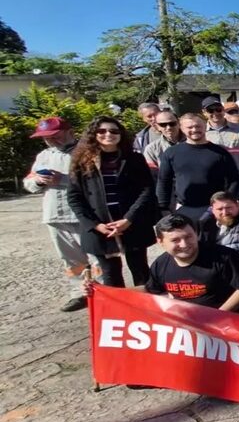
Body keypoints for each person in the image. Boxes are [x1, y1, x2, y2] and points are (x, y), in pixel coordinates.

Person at [66, 116, 159, 288]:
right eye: (102, 131)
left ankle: (145, 310)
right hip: (101, 227)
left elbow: (146, 191)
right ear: (94, 134)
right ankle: (119, 311)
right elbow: (74, 197)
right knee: (110, 275)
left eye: (114, 131)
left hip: (130, 223)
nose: (108, 134)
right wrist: (95, 225)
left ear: (121, 134)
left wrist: (129, 219)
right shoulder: (81, 161)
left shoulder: (134, 159)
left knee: (140, 271)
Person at [25, 117, 94, 311]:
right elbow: (28, 183)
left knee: (96, 256)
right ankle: (78, 294)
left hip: (82, 214)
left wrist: (62, 179)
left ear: (69, 132)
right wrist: (38, 181)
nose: (51, 140)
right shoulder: (44, 156)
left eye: (55, 136)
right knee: (71, 259)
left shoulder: (85, 151)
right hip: (54, 214)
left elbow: (94, 181)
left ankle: (102, 291)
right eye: (46, 137)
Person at [135, 213, 239, 314]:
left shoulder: (225, 257)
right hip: (189, 324)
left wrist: (217, 316)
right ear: (160, 242)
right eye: (175, 240)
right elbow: (151, 290)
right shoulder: (160, 264)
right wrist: (115, 294)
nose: (184, 244)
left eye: (188, 237)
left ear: (196, 234)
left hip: (227, 322)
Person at [156, 113, 239, 221]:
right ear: (181, 128)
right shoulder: (171, 153)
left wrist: (226, 203)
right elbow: (164, 181)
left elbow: (234, 180)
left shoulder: (220, 152)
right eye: (190, 127)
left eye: (198, 126)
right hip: (185, 208)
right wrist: (163, 208)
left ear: (205, 126)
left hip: (215, 209)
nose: (195, 130)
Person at [142, 109, 182, 175]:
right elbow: (154, 175)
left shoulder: (195, 142)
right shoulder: (151, 149)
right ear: (157, 126)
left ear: (178, 123)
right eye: (163, 125)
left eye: (172, 123)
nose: (168, 127)